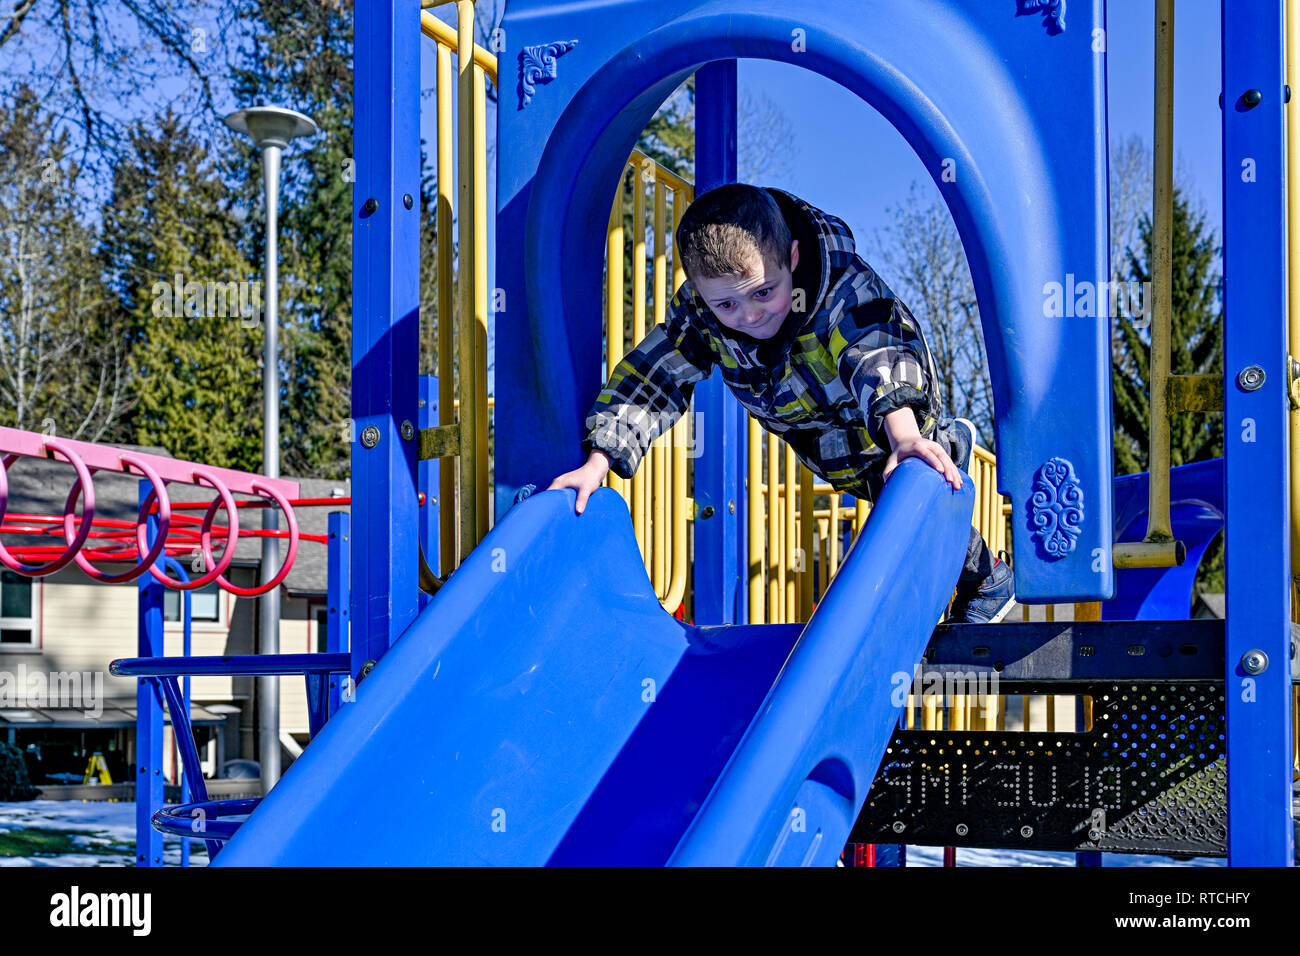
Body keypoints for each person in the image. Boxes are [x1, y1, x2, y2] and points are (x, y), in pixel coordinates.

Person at [547, 182, 1014, 624]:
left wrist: (905, 432)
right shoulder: (700, 314)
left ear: (791, 256)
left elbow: (875, 349)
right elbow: (653, 375)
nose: (748, 315)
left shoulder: (843, 290)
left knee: (907, 488)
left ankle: (982, 563)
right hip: (810, 428)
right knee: (875, 484)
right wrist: (599, 458)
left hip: (882, 397)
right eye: (725, 306)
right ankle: (955, 496)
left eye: (763, 292)